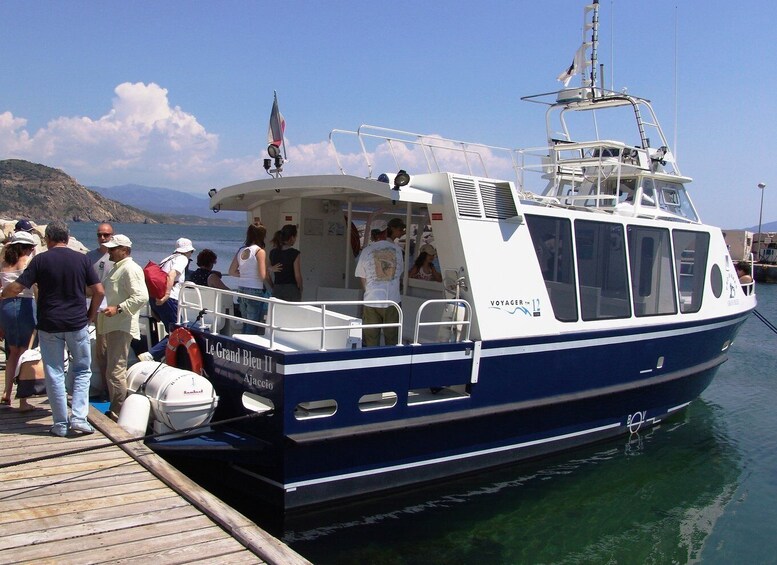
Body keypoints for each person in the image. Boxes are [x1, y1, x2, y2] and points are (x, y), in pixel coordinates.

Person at [1, 221, 104, 437]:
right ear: (66, 238)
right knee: (82, 370)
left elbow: (18, 287)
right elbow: (99, 291)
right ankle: (78, 418)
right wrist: (90, 315)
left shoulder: (40, 260)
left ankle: (59, 424)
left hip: (49, 325)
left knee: (54, 373)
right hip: (76, 324)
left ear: (48, 239)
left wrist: (3, 294)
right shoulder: (82, 259)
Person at [96, 235, 148, 419]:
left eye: (113, 248)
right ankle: (115, 406)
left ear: (124, 250)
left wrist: (118, 308)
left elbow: (141, 297)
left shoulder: (130, 269)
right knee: (111, 368)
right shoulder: (118, 268)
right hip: (111, 323)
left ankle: (118, 411)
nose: (109, 251)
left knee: (115, 370)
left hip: (120, 324)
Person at [0, 231, 38, 411]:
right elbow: (36, 286)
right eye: (31, 248)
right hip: (25, 306)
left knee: (12, 352)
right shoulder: (28, 262)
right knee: (25, 353)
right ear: (27, 247)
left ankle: (6, 393)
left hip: (6, 307)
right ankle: (23, 401)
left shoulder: (3, 263)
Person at [142, 237, 194, 361]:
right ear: (188, 251)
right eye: (191, 252)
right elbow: (171, 275)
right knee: (179, 331)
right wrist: (166, 295)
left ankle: (163, 356)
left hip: (155, 298)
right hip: (169, 299)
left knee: (172, 330)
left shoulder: (167, 259)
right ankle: (151, 355)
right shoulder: (182, 259)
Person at [355, 217, 405, 346]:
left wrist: (371, 292)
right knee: (392, 340)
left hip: (372, 300)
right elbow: (399, 273)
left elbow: (362, 277)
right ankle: (392, 363)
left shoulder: (366, 251)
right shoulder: (397, 250)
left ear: (373, 234)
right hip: (392, 301)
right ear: (386, 232)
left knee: (371, 339)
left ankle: (372, 363)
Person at [229, 225, 272, 333]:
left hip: (242, 289)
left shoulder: (241, 250)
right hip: (255, 290)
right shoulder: (259, 251)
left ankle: (241, 346)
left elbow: (231, 271)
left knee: (245, 322)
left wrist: (245, 275)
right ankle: (247, 347)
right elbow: (263, 275)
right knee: (252, 325)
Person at [269, 225, 303, 301]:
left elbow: (267, 269)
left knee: (278, 312)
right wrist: (300, 287)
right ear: (292, 237)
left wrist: (272, 286)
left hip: (277, 288)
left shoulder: (273, 252)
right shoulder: (294, 253)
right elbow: (297, 275)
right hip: (291, 289)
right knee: (292, 312)